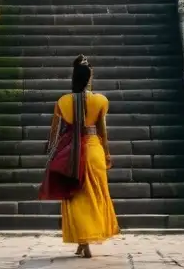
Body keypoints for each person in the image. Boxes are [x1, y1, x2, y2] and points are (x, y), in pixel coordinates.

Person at [41, 55, 120, 258]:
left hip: (71, 153)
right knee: (94, 195)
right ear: (89, 78)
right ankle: (84, 240)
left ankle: (82, 240)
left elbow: (55, 131)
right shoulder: (101, 100)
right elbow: (102, 131)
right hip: (94, 150)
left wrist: (51, 150)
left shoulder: (63, 101)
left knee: (74, 195)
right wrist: (108, 153)